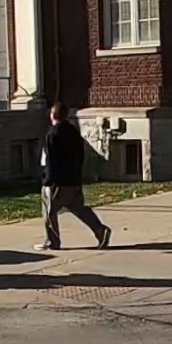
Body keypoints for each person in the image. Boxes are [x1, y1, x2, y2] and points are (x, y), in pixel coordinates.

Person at [40, 104, 115, 251]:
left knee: (49, 211)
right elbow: (81, 154)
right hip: (74, 178)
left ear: (52, 115)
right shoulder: (73, 132)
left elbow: (51, 161)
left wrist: (48, 180)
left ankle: (53, 241)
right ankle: (100, 230)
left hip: (58, 182)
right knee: (78, 208)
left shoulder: (52, 135)